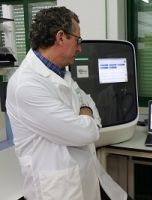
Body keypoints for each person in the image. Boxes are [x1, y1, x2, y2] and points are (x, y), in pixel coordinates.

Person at [6, 6, 131, 200]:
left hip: (85, 175)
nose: (80, 48)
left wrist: (85, 113)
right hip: (58, 188)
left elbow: (88, 103)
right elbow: (87, 132)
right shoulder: (26, 85)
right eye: (78, 40)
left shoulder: (61, 72)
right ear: (61, 37)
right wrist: (86, 117)